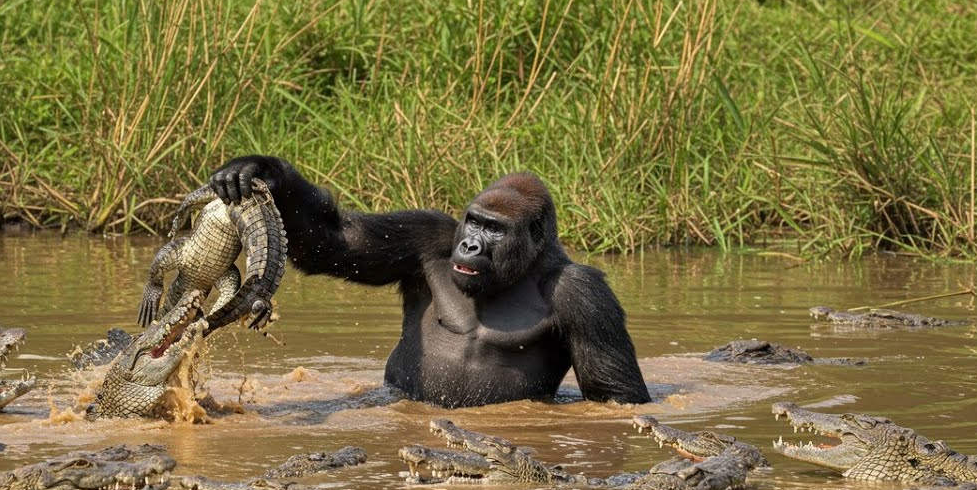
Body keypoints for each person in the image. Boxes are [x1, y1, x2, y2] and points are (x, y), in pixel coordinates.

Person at [207, 155, 651, 408]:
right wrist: (276, 177)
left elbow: (616, 414)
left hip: (500, 460)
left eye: (493, 230)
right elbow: (328, 245)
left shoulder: (573, 294)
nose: (472, 244)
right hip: (396, 417)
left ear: (535, 238)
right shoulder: (429, 244)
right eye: (473, 222)